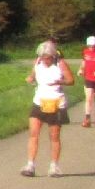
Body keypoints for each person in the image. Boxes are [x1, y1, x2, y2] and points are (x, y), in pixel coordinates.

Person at [21, 39, 73, 177]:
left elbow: (70, 80)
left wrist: (60, 81)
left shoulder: (60, 63)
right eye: (43, 57)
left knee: (54, 136)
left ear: (53, 55)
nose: (45, 60)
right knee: (33, 133)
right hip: (39, 101)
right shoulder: (38, 62)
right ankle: (30, 165)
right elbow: (33, 75)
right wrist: (30, 78)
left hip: (56, 103)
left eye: (47, 58)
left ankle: (54, 166)